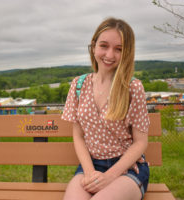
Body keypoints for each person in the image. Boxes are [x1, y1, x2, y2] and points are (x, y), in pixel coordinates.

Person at [61, 17, 150, 200]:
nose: (109, 55)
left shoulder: (132, 88)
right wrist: (90, 173)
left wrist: (110, 176)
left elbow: (140, 142)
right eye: (104, 46)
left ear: (127, 53)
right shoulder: (78, 85)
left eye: (119, 49)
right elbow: (78, 135)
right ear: (93, 47)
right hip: (91, 165)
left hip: (126, 168)